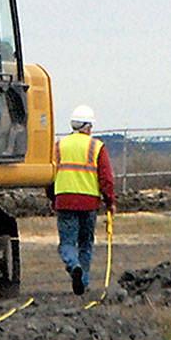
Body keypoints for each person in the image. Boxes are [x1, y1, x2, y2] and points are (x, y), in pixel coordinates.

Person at [50, 104, 115, 295]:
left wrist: (52, 198)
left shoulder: (58, 147)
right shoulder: (97, 147)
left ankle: (73, 265)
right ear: (88, 127)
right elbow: (106, 179)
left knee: (67, 243)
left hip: (64, 200)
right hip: (89, 202)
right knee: (85, 244)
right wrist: (110, 202)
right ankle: (83, 281)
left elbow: (50, 175)